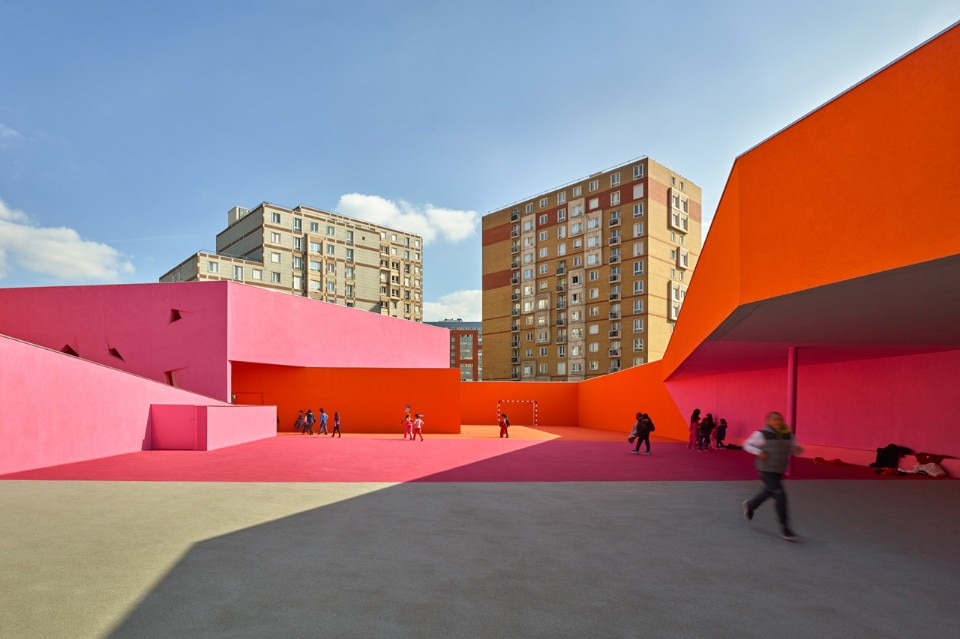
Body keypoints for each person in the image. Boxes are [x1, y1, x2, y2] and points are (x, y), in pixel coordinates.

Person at [742, 411, 803, 542]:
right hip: (765, 469)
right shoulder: (761, 434)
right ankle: (785, 528)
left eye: (779, 419)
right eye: (774, 419)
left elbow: (794, 448)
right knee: (780, 495)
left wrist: (797, 450)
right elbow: (747, 444)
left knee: (769, 491)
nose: (777, 421)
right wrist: (758, 451)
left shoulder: (789, 435)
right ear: (768, 421)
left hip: (779, 469)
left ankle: (751, 504)